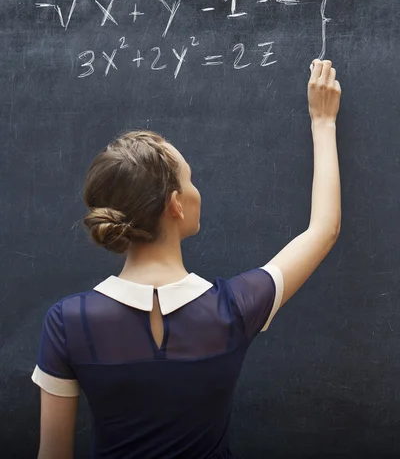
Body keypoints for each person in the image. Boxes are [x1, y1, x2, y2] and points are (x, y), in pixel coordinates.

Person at [31, 59, 341, 459]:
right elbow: (323, 229)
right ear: (176, 205)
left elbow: (52, 454)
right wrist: (323, 122)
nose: (197, 190)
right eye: (190, 179)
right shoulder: (232, 308)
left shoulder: (67, 322)